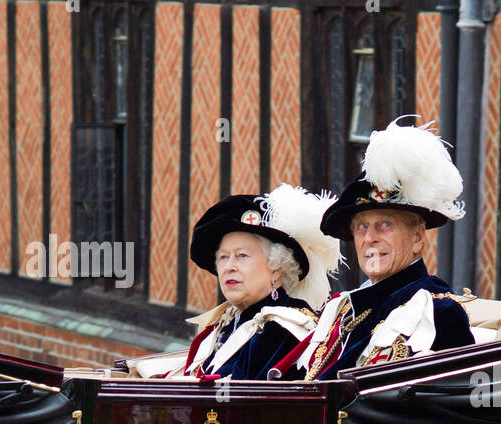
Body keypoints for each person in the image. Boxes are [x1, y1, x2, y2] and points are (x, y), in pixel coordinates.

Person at [274, 119, 474, 380]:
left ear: (417, 238)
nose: (370, 238)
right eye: (362, 228)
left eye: (385, 225)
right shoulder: (344, 312)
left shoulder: (439, 312)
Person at [177, 185, 341, 380]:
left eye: (242, 256)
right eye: (223, 257)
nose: (229, 266)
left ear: (277, 268)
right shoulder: (224, 325)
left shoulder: (281, 332)